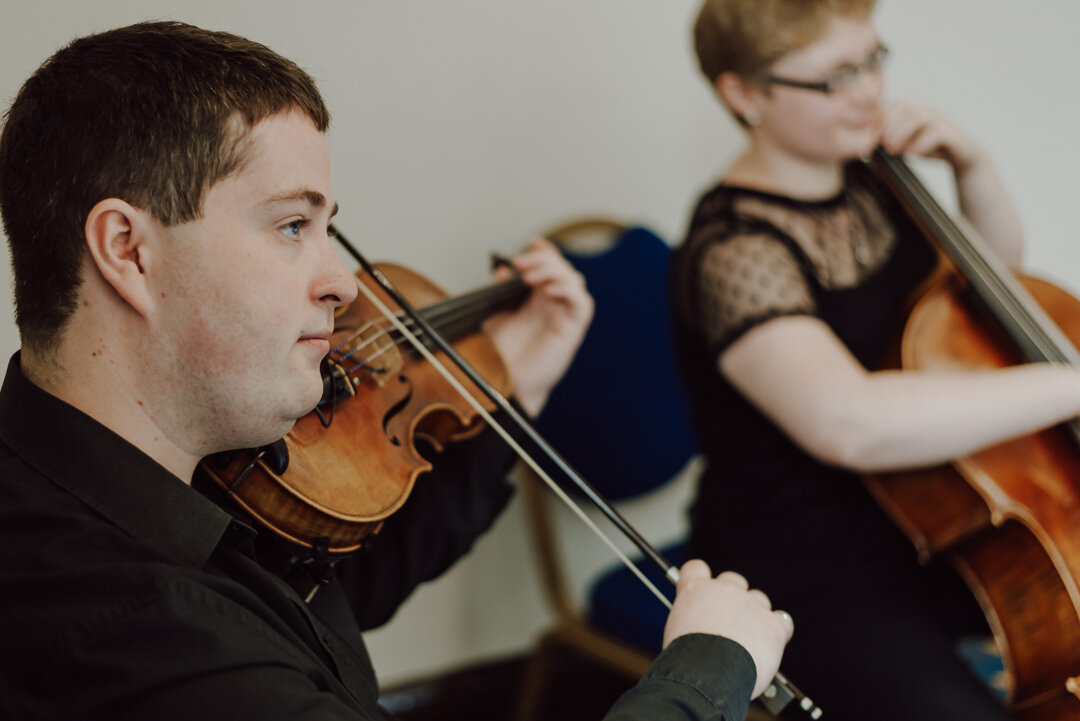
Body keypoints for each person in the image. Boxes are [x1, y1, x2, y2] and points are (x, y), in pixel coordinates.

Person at [0, 21, 793, 721]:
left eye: (326, 230)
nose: (344, 282)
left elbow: (337, 600)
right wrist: (706, 670)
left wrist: (509, 377)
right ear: (129, 252)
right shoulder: (132, 631)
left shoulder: (144, 483)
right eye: (289, 225)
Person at [669, 1, 1080, 719]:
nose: (868, 92)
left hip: (931, 518)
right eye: (833, 79)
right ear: (742, 93)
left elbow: (990, 291)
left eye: (871, 60)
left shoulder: (874, 178)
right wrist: (1068, 384)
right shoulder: (732, 249)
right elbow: (848, 421)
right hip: (806, 564)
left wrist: (971, 163)